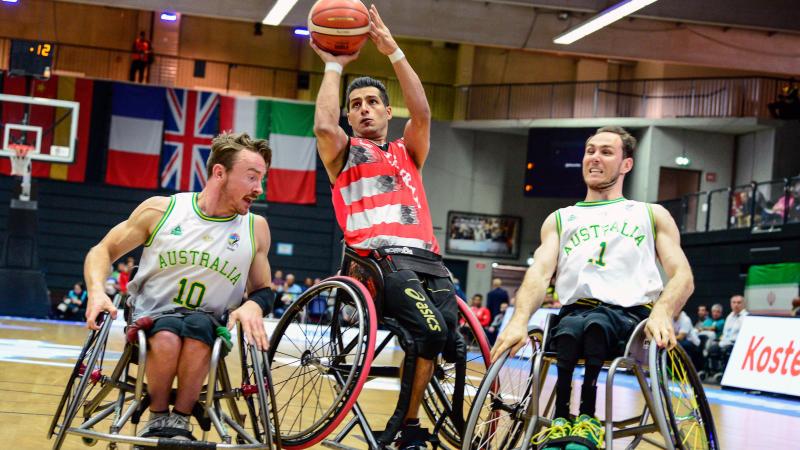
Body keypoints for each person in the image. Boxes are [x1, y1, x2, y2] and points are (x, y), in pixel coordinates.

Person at [492, 126, 693, 450]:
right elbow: (540, 273)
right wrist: (518, 319)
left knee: (596, 326)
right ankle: (561, 420)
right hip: (575, 311)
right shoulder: (561, 218)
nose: (594, 157)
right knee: (571, 329)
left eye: (606, 151)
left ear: (626, 164)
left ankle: (588, 418)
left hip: (629, 317)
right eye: (590, 150)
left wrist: (663, 311)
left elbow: (683, 274)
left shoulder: (649, 214)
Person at [311, 5, 456, 448]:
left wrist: (393, 50)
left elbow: (424, 112)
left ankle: (412, 420)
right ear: (350, 118)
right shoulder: (343, 154)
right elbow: (322, 123)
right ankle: (406, 427)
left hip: (427, 260)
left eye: (372, 102)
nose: (364, 110)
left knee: (449, 336)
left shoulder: (407, 150)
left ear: (387, 111)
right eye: (355, 106)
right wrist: (334, 65)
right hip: (375, 261)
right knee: (431, 330)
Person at [83, 132, 275, 442]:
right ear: (219, 173)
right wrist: (95, 291)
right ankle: (158, 417)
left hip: (209, 325)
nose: (259, 189)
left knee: (197, 326)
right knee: (169, 331)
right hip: (152, 316)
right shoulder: (163, 210)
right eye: (252, 177)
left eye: (261, 179)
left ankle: (180, 422)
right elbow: (102, 251)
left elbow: (263, 289)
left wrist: (254, 304)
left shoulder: (256, 228)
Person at [706, 295, 749, 381]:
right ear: (730, 304)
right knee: (712, 348)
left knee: (727, 349)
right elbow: (726, 332)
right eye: (734, 302)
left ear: (743, 304)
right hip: (725, 341)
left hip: (736, 344)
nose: (736, 305)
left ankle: (727, 374)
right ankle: (714, 371)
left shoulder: (746, 317)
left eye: (739, 303)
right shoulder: (729, 316)